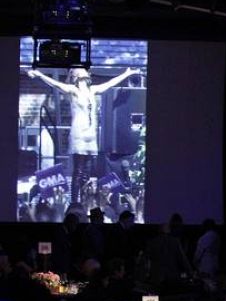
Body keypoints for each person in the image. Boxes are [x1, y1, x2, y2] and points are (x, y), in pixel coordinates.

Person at [27, 66, 142, 205]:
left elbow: (110, 83)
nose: (85, 71)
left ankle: (84, 202)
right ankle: (75, 203)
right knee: (78, 171)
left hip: (91, 136)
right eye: (80, 69)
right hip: (79, 135)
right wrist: (39, 74)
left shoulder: (92, 90)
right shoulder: (72, 90)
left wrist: (126, 74)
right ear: (75, 75)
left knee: (87, 172)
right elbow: (55, 84)